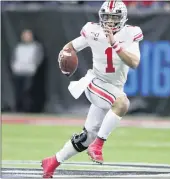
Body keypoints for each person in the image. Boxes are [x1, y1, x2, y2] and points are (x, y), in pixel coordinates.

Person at [41, 0, 143, 178]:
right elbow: (70, 46)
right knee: (122, 103)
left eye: (114, 17)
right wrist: (65, 58)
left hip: (112, 87)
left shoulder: (130, 33)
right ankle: (99, 145)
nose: (110, 21)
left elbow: (134, 62)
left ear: (123, 18)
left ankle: (52, 162)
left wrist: (116, 45)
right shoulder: (93, 30)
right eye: (107, 17)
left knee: (87, 137)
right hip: (95, 82)